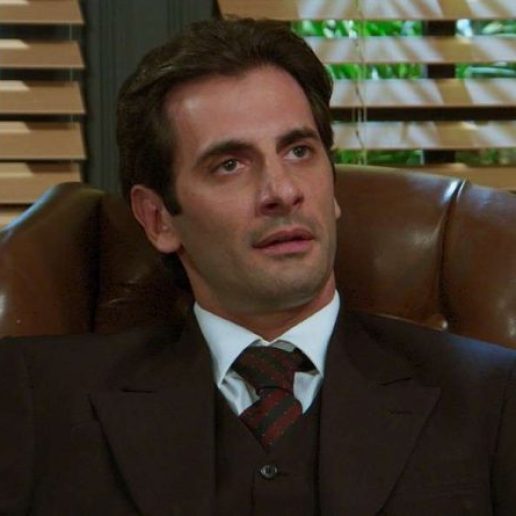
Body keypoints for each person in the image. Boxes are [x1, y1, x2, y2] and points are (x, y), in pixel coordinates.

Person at [1, 17, 515, 516]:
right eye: (230, 165)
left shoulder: (491, 397)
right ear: (158, 219)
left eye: (299, 151)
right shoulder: (39, 399)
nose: (283, 191)